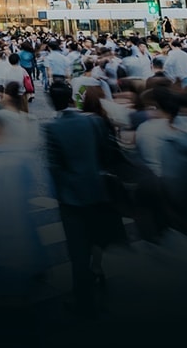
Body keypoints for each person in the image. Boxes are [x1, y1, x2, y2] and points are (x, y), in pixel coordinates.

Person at [42, 80, 115, 309]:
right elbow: (106, 153)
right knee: (96, 236)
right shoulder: (93, 122)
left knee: (77, 249)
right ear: (72, 97)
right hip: (97, 187)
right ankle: (97, 267)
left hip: (71, 195)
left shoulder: (52, 128)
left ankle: (82, 297)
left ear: (51, 102)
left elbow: (54, 167)